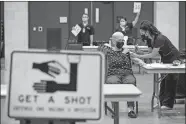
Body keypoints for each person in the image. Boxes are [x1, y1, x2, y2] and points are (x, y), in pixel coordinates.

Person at [131, 20, 180, 110]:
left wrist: (138, 56)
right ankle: (161, 102)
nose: (141, 33)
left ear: (148, 30)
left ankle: (168, 105)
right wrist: (139, 52)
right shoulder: (149, 39)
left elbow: (153, 55)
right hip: (165, 59)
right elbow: (150, 52)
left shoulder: (159, 38)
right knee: (163, 81)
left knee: (170, 80)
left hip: (173, 58)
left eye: (142, 30)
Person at [98, 32, 144, 118]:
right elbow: (114, 61)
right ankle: (114, 110)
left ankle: (130, 109)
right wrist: (123, 53)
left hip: (127, 74)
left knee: (131, 81)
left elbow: (135, 58)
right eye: (120, 40)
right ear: (114, 41)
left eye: (123, 40)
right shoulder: (109, 51)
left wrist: (140, 61)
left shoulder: (126, 51)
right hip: (113, 74)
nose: (122, 42)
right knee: (113, 82)